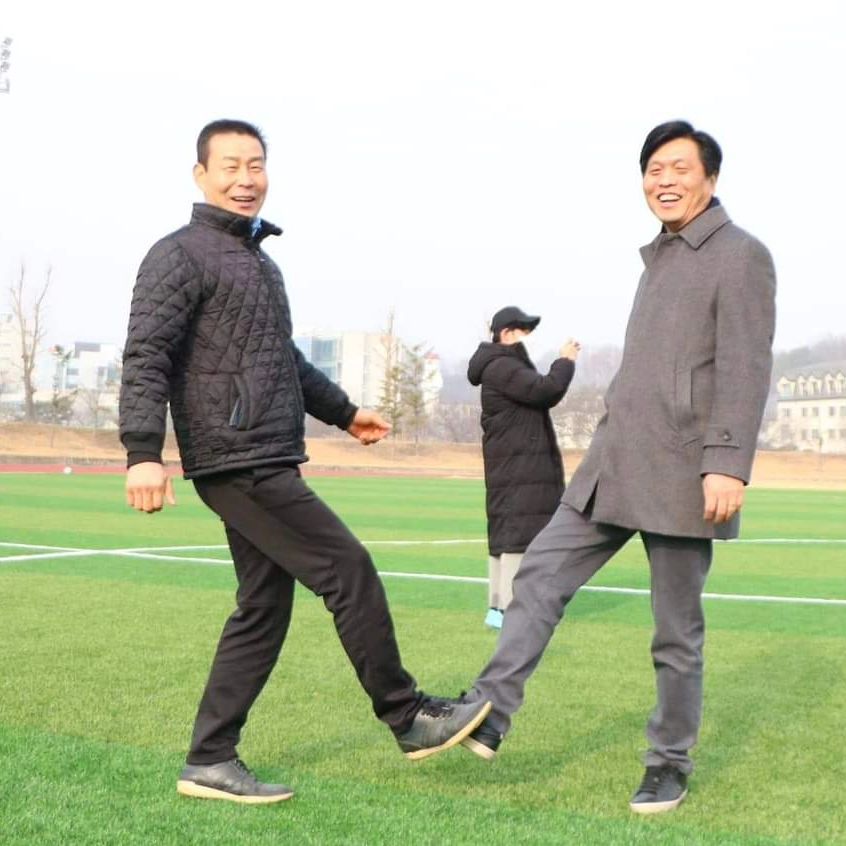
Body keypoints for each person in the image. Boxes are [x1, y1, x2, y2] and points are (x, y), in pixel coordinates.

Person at [119, 119, 489, 805]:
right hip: (237, 456)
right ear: (200, 175)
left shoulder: (259, 262)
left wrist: (344, 412)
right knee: (347, 569)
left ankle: (210, 759)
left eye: (256, 164)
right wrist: (143, 453)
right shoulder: (178, 255)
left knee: (263, 606)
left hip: (264, 449)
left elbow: (280, 359)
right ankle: (408, 717)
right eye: (230, 165)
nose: (245, 178)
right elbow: (146, 353)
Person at [458, 121, 776, 815]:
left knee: (675, 631)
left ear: (711, 178)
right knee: (539, 575)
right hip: (614, 463)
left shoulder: (741, 255)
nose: (664, 179)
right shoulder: (658, 257)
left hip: (688, 472)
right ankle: (489, 708)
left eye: (679, 168)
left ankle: (669, 762)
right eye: (653, 168)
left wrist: (727, 463)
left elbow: (746, 368)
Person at [467, 306, 580, 629]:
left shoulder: (498, 365)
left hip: (513, 467)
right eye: (522, 332)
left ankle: (499, 608)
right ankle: (510, 608)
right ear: (505, 334)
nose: (526, 338)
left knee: (508, 535)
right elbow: (546, 390)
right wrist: (565, 361)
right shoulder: (501, 366)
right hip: (520, 468)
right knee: (518, 536)